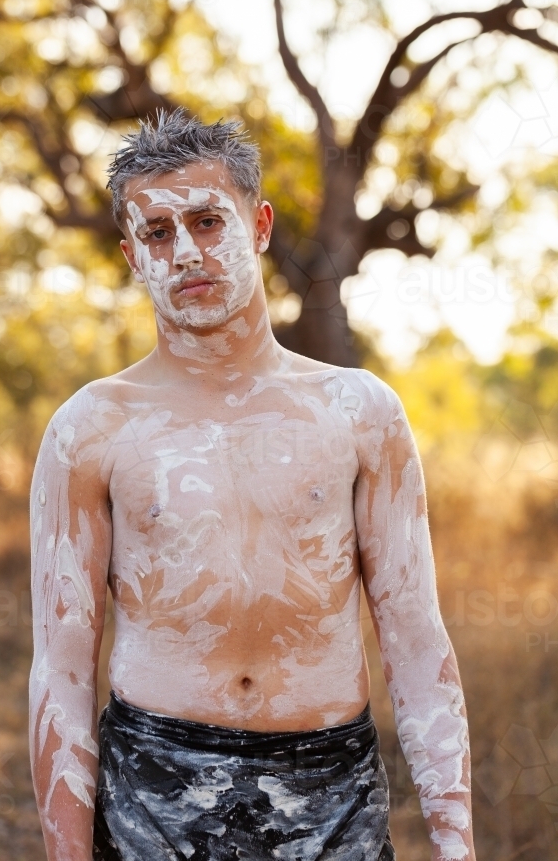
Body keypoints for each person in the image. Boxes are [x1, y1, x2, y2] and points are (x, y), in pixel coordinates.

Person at [29, 109, 476, 861]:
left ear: (260, 225)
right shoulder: (91, 429)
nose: (186, 254)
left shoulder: (357, 411)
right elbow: (62, 667)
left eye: (208, 222)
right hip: (153, 785)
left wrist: (456, 844)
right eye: (158, 234)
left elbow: (414, 635)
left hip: (330, 787)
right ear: (132, 256)